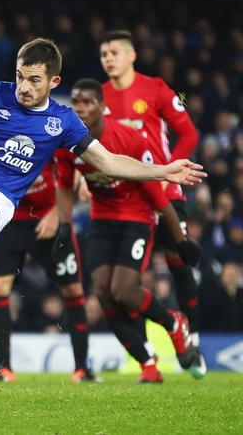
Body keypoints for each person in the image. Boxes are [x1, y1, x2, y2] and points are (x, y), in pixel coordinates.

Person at [0, 38, 206, 396]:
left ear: (53, 82)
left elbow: (110, 162)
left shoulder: (63, 120)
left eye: (34, 79)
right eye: (20, 76)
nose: (23, 86)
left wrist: (163, 171)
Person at [54, 78, 202, 383]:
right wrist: (65, 225)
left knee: (123, 291)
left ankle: (174, 324)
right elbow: (66, 185)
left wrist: (180, 238)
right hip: (102, 216)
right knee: (103, 295)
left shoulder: (129, 139)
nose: (80, 108)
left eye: (87, 102)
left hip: (137, 215)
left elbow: (154, 192)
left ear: (103, 108)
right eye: (76, 102)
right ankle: (148, 363)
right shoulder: (66, 142)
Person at [99, 30, 205, 379]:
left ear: (131, 56)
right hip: (128, 202)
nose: (108, 59)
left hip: (166, 193)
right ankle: (149, 363)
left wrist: (167, 171)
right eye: (103, 54)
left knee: (178, 262)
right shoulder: (98, 98)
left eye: (114, 52)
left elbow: (189, 134)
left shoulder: (156, 88)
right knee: (129, 284)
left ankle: (193, 340)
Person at [0, 158, 96, 383]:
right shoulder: (0, 135)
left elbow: (71, 171)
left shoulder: (52, 131)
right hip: (12, 221)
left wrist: (57, 214)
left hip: (50, 216)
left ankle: (82, 369)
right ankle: (4, 369)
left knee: (73, 289)